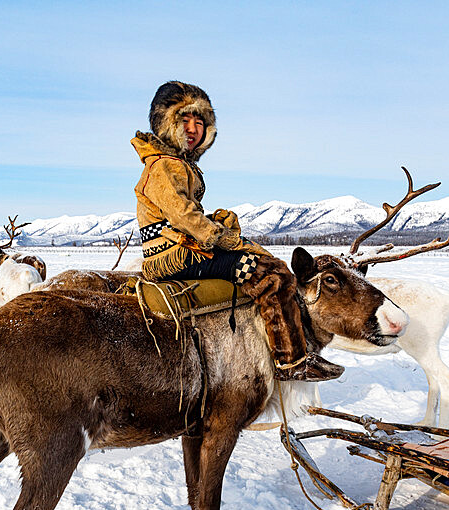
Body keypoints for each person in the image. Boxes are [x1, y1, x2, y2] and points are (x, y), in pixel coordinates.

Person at [131, 80, 343, 382]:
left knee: (265, 261)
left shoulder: (175, 164)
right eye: (184, 120)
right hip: (175, 256)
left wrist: (218, 221)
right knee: (271, 275)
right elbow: (183, 217)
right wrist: (222, 237)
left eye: (200, 121)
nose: (193, 128)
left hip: (184, 249)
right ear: (166, 124)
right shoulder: (165, 166)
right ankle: (290, 360)